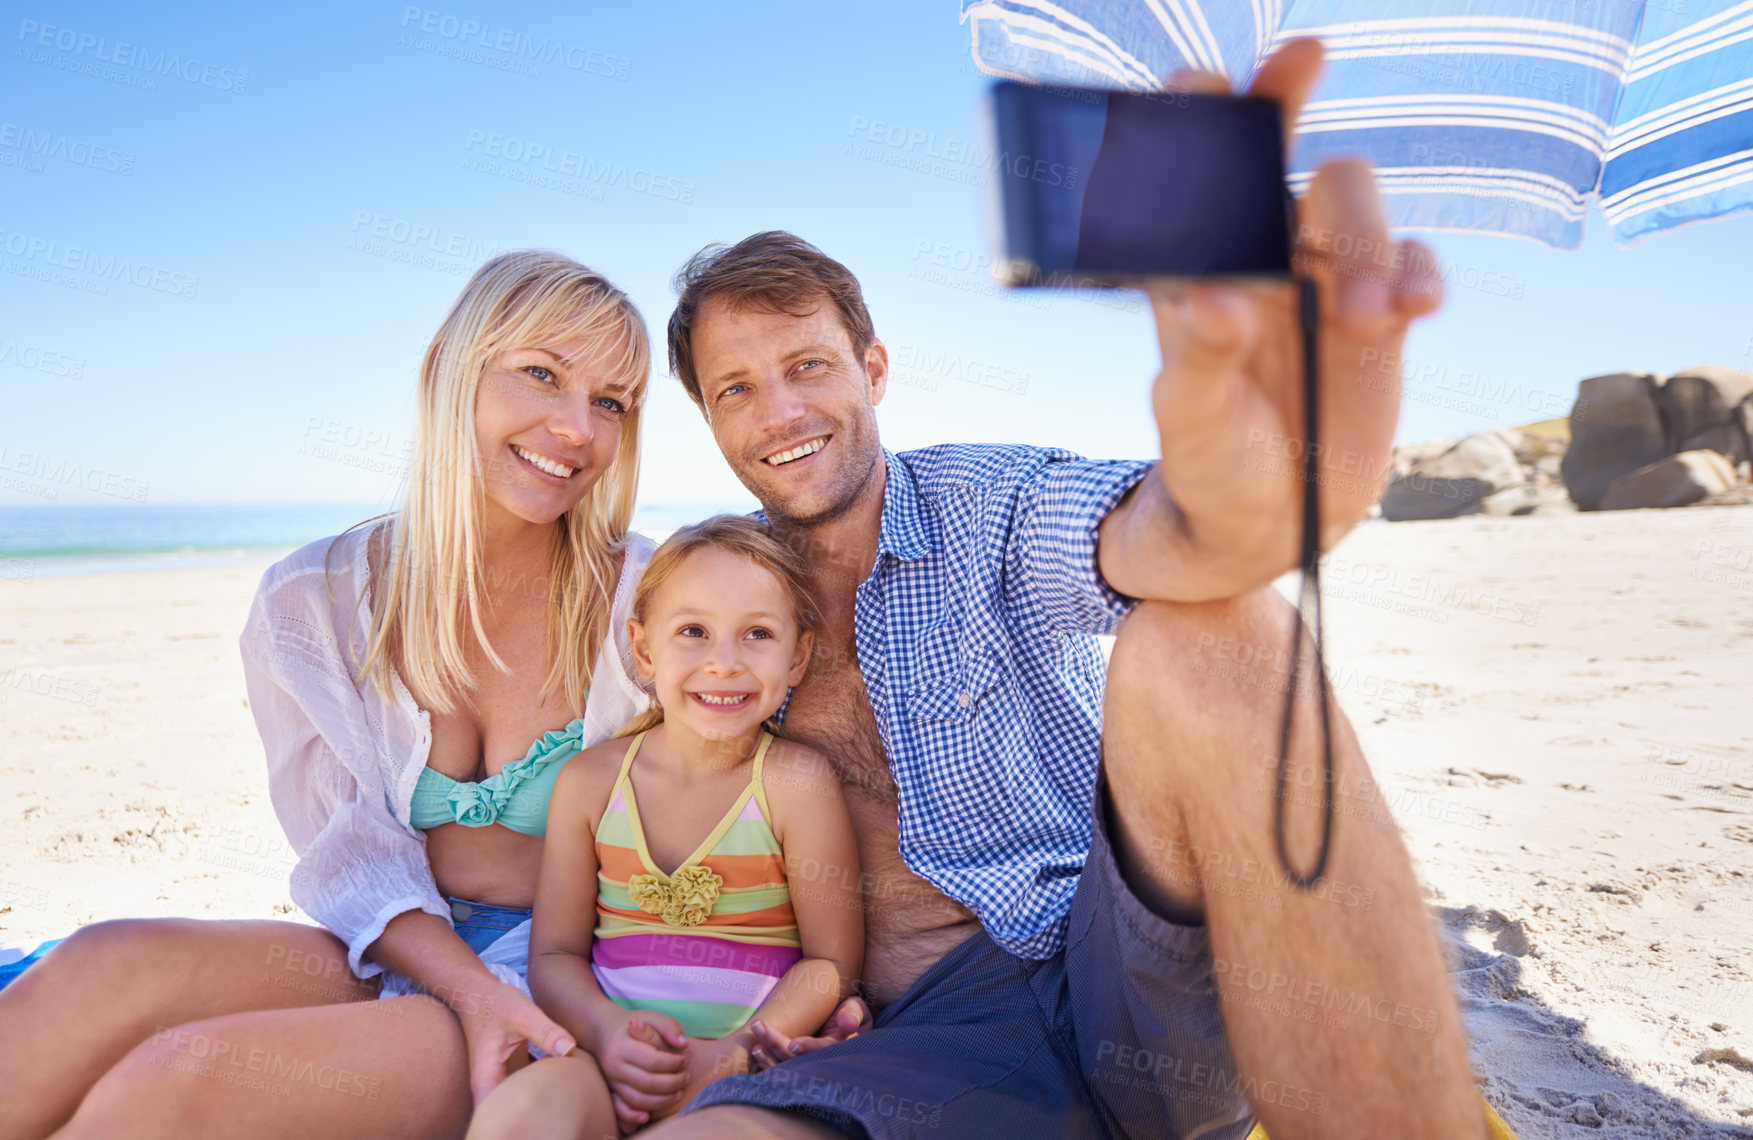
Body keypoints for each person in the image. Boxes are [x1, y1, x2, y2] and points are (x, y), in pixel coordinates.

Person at [646, 41, 1490, 1140]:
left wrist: (1278, 464)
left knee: (1212, 633)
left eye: (808, 365)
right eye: (736, 388)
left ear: (873, 371)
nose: (781, 412)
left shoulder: (981, 502)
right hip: (920, 1044)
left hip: (1127, 977)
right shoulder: (708, 607)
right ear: (710, 421)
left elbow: (1179, 538)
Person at [0, 250, 659, 1140]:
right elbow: (354, 857)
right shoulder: (312, 599)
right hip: (403, 940)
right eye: (540, 373)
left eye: (610, 401)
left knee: (182, 1082)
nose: (576, 426)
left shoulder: (657, 602)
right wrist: (458, 984)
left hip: (576, 973)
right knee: (101, 963)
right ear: (447, 374)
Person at [467, 515, 862, 1139]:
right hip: (605, 1061)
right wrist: (605, 1032)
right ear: (644, 649)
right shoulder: (591, 783)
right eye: (693, 632)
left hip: (745, 1073)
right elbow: (555, 954)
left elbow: (830, 964)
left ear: (798, 656)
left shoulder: (795, 785)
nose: (723, 663)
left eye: (757, 633)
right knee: (519, 1118)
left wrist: (731, 1055)